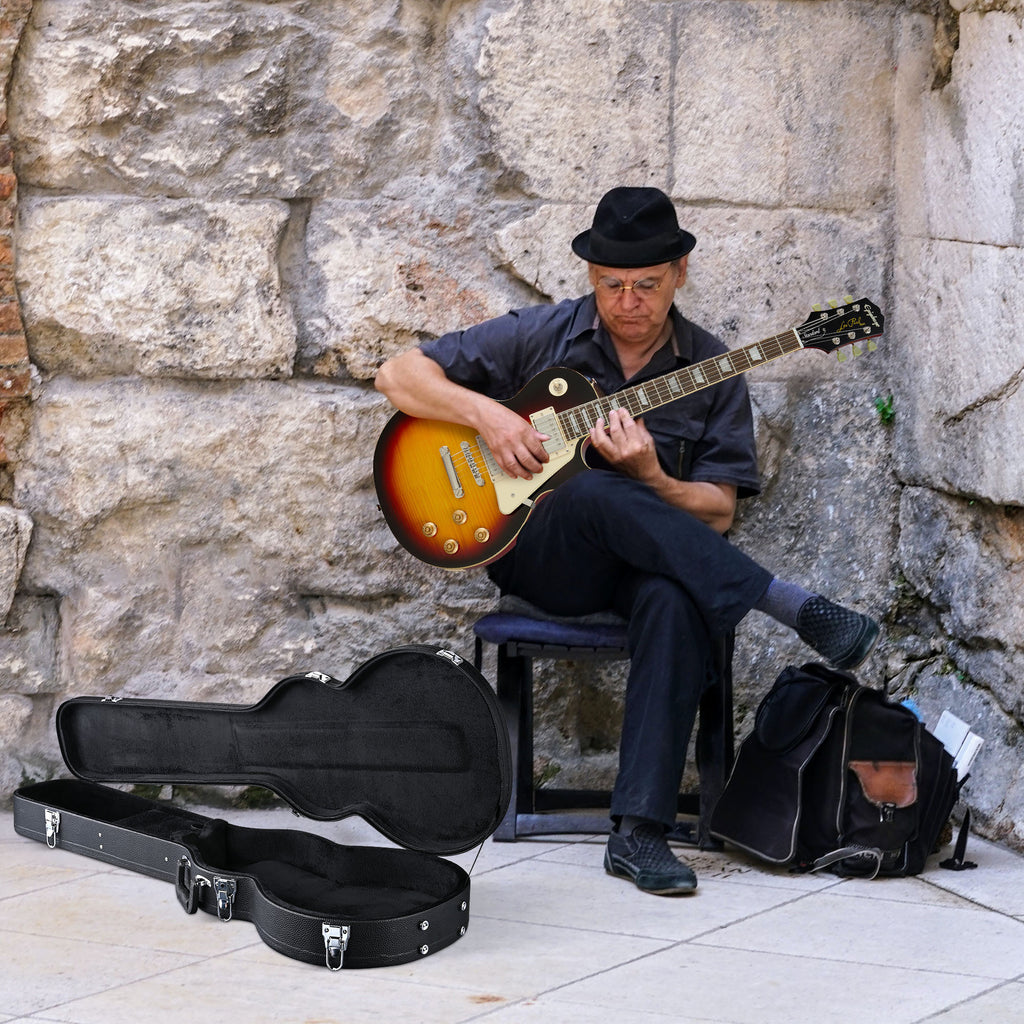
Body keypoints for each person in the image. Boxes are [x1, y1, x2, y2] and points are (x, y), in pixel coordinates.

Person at [374, 186, 879, 896]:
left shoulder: (712, 370)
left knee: (675, 598)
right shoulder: (542, 333)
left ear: (679, 273)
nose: (629, 301)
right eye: (612, 285)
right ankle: (786, 603)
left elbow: (718, 512)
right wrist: (488, 417)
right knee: (586, 486)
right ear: (590, 277)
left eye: (646, 284)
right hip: (545, 556)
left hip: (643, 567)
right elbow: (397, 373)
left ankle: (639, 833)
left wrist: (653, 477)